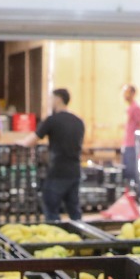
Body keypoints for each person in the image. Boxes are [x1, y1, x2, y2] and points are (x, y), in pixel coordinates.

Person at [36, 88, 85, 222]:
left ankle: (56, 238)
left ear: (58, 99)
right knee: (74, 211)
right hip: (75, 171)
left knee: (51, 209)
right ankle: (80, 237)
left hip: (58, 172)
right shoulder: (79, 121)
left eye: (51, 99)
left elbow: (33, 139)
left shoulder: (52, 120)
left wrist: (20, 143)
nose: (50, 102)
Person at [121, 84, 140, 187]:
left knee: (132, 172)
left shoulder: (136, 108)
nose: (124, 95)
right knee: (126, 171)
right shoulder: (130, 108)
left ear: (133, 94)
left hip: (132, 145)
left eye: (127, 92)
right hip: (127, 144)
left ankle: (137, 195)